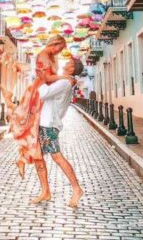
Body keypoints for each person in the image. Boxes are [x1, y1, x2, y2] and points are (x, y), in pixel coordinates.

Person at [2, 35, 70, 179]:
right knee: (29, 125)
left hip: (44, 92)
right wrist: (64, 77)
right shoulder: (43, 55)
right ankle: (23, 157)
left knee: (33, 130)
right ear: (55, 43)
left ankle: (22, 158)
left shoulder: (51, 57)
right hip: (38, 92)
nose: (60, 51)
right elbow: (46, 78)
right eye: (60, 48)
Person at [32, 57, 84, 208]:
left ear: (72, 68)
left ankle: (76, 188)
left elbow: (43, 93)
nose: (66, 63)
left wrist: (41, 80)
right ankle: (45, 191)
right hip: (44, 122)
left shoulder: (64, 82)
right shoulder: (64, 80)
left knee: (57, 157)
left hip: (49, 124)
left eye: (69, 63)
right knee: (38, 157)